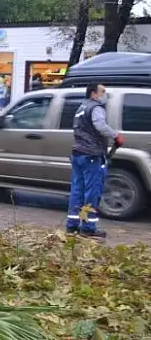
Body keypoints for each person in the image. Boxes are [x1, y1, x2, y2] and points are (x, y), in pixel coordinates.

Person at [66, 83, 123, 238]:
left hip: (78, 154)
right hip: (91, 155)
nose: (105, 94)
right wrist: (115, 135)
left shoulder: (81, 108)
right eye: (102, 91)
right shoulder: (96, 108)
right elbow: (100, 126)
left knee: (77, 191)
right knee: (92, 192)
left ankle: (72, 226)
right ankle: (89, 228)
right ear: (93, 94)